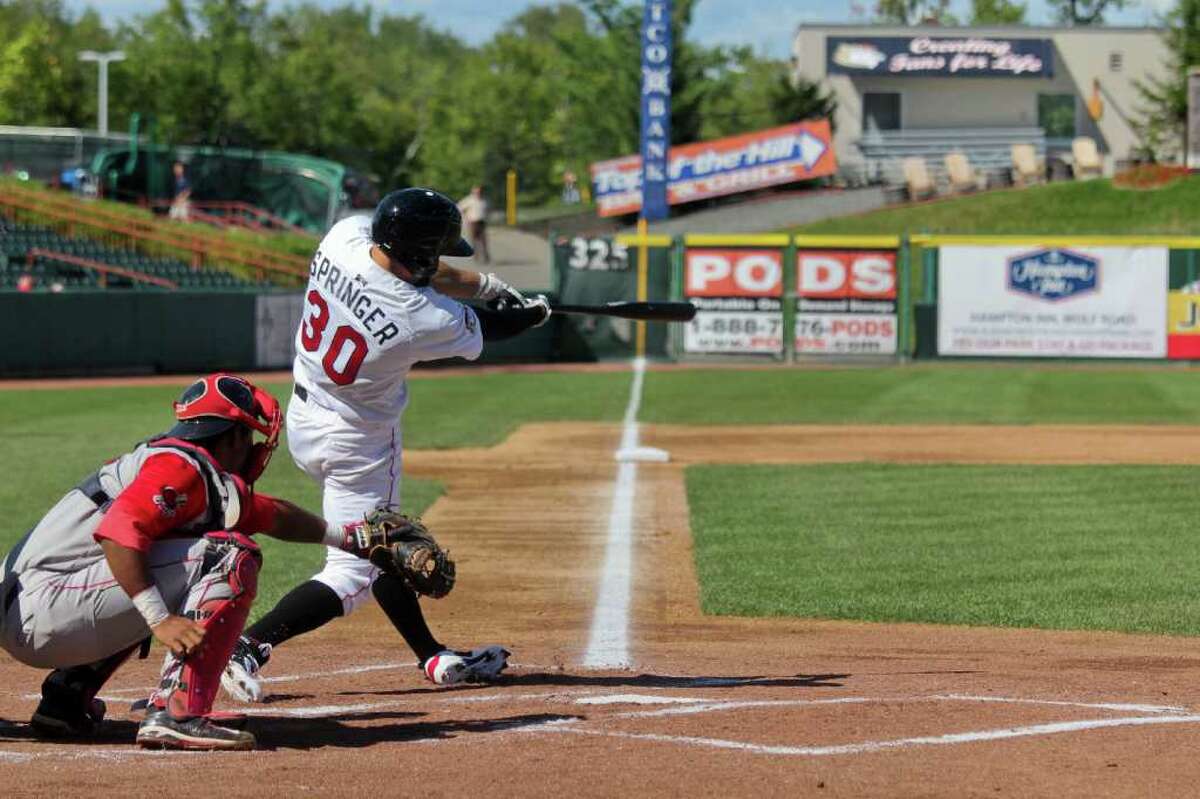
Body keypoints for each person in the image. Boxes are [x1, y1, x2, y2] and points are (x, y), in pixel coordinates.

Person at [220, 187, 549, 703]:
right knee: (355, 569)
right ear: (417, 253)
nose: (438, 261)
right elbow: (489, 328)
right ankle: (249, 645)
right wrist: (533, 314)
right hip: (358, 443)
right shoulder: (422, 318)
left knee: (385, 542)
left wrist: (485, 286)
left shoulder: (343, 238)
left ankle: (431, 655)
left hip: (306, 417)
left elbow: (419, 269)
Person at [0, 374, 396, 751]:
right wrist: (159, 618)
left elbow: (271, 514)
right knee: (228, 554)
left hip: (38, 608)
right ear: (232, 435)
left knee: (161, 562)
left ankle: (66, 699)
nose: (255, 447)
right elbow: (119, 533)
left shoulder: (183, 465)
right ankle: (178, 712)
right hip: (46, 610)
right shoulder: (180, 466)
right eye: (249, 434)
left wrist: (354, 539)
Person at [457, 185, 490, 264]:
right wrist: (465, 218)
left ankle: (485, 256)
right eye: (476, 191)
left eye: (479, 191)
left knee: (483, 240)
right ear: (473, 192)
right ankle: (476, 256)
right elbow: (459, 207)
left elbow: (488, 210)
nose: (478, 193)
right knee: (474, 240)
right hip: (473, 222)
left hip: (482, 222)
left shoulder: (484, 200)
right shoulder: (469, 200)